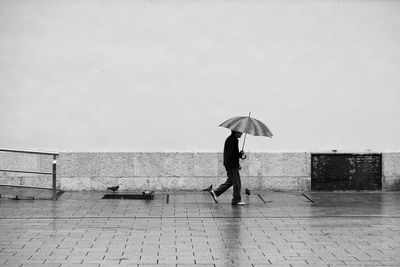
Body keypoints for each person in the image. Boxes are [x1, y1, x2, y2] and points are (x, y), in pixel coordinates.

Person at [210, 130, 246, 205]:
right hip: (231, 165)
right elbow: (231, 155)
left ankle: (216, 193)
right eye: (240, 132)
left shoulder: (231, 139)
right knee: (237, 183)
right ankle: (236, 200)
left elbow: (232, 154)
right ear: (236, 132)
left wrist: (239, 155)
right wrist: (239, 155)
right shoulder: (232, 140)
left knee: (230, 181)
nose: (242, 134)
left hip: (230, 164)